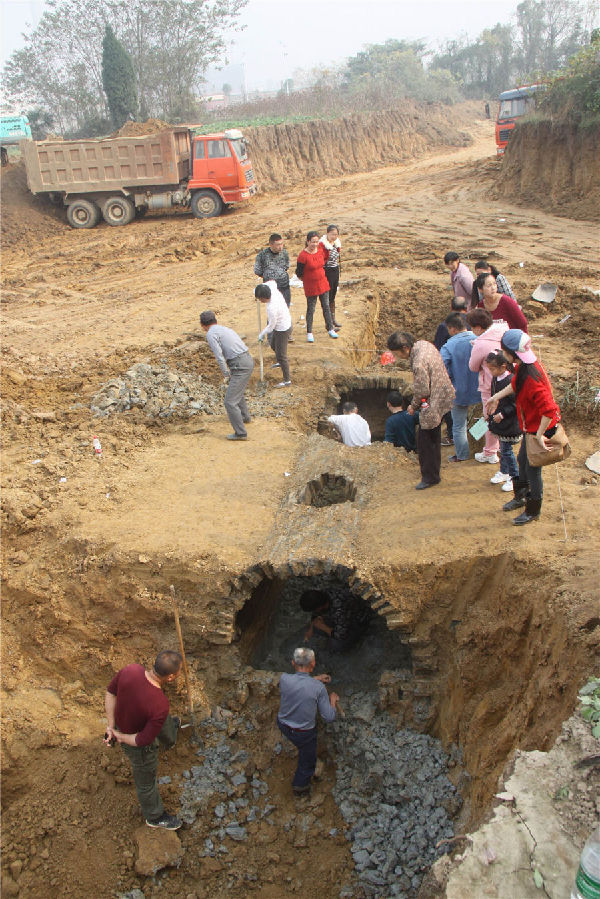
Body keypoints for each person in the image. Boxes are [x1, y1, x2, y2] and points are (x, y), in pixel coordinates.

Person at [487, 329, 561, 525]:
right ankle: (520, 497)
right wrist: (496, 397)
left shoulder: (531, 377)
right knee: (522, 460)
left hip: (540, 427)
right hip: (532, 426)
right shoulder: (524, 366)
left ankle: (532, 510)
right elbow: (515, 385)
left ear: (511, 354)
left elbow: (549, 410)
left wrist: (538, 435)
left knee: (533, 467)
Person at [104, 651, 183, 830]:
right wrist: (119, 736)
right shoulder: (159, 704)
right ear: (170, 677)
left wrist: (111, 725)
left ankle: (170, 738)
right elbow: (142, 740)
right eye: (178, 673)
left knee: (163, 720)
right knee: (146, 783)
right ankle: (155, 817)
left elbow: (110, 692)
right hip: (137, 744)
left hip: (141, 720)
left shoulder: (131, 670)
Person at [386, 332, 455, 490]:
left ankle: (430, 477)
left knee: (425, 442)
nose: (397, 357)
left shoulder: (418, 362)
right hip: (444, 393)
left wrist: (413, 405)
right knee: (434, 437)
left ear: (405, 348)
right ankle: (434, 473)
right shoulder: (424, 344)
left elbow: (423, 390)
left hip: (433, 401)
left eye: (397, 353)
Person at [277, 647, 338, 795]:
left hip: (283, 724)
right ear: (313, 664)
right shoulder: (318, 688)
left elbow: (299, 683)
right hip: (304, 734)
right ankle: (300, 787)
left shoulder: (284, 679)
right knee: (307, 761)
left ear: (293, 663)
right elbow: (329, 717)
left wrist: (315, 678)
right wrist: (333, 700)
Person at [200, 310, 254, 441]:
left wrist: (225, 373)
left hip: (239, 364)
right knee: (236, 391)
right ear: (215, 321)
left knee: (229, 402)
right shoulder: (224, 329)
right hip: (247, 359)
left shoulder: (211, 334)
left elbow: (219, 356)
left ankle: (241, 433)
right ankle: (245, 417)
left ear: (202, 325)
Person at [466, 308, 509, 464]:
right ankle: (497, 447)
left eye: (472, 327)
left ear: (478, 327)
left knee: (489, 415)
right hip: (506, 382)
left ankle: (490, 452)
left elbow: (472, 366)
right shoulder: (503, 332)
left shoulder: (481, 344)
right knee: (502, 413)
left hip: (490, 385)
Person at [440, 313, 481, 462]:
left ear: (451, 329)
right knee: (486, 419)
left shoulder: (448, 346)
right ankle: (484, 447)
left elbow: (442, 368)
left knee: (459, 426)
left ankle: (462, 455)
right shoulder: (479, 340)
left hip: (459, 391)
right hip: (482, 390)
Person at [433, 297, 467, 446]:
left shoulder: (444, 327)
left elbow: (439, 350)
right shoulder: (473, 323)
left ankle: (453, 436)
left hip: (452, 373)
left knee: (451, 405)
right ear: (466, 308)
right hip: (471, 373)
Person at [485, 350, 521, 492]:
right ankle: (504, 472)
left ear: (503, 366)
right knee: (503, 449)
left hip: (509, 423)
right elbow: (495, 396)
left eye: (492, 369)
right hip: (500, 421)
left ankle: (514, 477)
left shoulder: (511, 381)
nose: (490, 372)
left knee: (506, 450)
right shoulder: (496, 378)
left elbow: (516, 404)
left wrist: (503, 414)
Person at [296, 231, 338, 342]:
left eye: (316, 242)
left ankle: (330, 328)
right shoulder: (303, 256)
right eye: (312, 242)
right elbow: (299, 272)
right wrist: (308, 279)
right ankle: (309, 332)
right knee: (311, 308)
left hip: (323, 283)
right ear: (307, 241)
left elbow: (325, 260)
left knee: (326, 306)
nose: (314, 244)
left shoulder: (320, 250)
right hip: (311, 286)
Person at [300, 588, 372, 652]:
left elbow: (341, 635)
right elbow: (315, 616)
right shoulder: (323, 594)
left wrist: (324, 627)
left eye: (314, 610)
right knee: (316, 628)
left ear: (319, 607)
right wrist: (311, 628)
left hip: (358, 620)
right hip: (343, 617)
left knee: (336, 645)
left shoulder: (340, 610)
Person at [256, 282, 292, 388]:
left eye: (259, 298)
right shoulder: (273, 290)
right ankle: (280, 362)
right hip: (284, 323)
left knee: (281, 355)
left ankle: (287, 381)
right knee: (273, 345)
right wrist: (258, 287)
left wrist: (262, 334)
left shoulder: (271, 308)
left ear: (263, 298)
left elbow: (271, 326)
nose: (259, 301)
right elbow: (272, 282)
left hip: (282, 329)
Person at [254, 233, 291, 306]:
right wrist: (268, 276)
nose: (280, 247)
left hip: (284, 286)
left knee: (285, 308)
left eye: (281, 244)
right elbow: (257, 270)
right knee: (273, 309)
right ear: (271, 244)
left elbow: (286, 266)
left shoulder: (284, 253)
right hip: (270, 288)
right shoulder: (262, 255)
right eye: (278, 245)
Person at [319, 224, 342, 329]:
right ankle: (328, 323)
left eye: (336, 234)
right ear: (327, 233)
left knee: (332, 296)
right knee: (326, 298)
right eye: (332, 234)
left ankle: (333, 319)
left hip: (335, 271)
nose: (334, 236)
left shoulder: (336, 244)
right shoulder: (322, 245)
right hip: (327, 272)